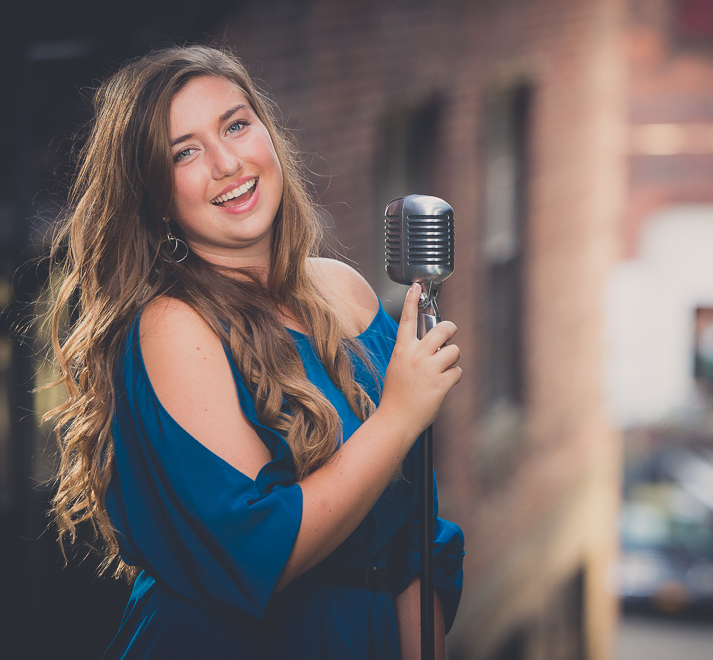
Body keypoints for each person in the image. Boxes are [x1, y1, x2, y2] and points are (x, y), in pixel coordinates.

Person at [43, 45, 464, 659]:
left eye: (236, 125)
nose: (225, 162)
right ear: (157, 196)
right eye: (184, 151)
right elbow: (258, 548)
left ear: (268, 134)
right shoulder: (174, 326)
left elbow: (413, 537)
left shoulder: (346, 292)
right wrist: (399, 415)